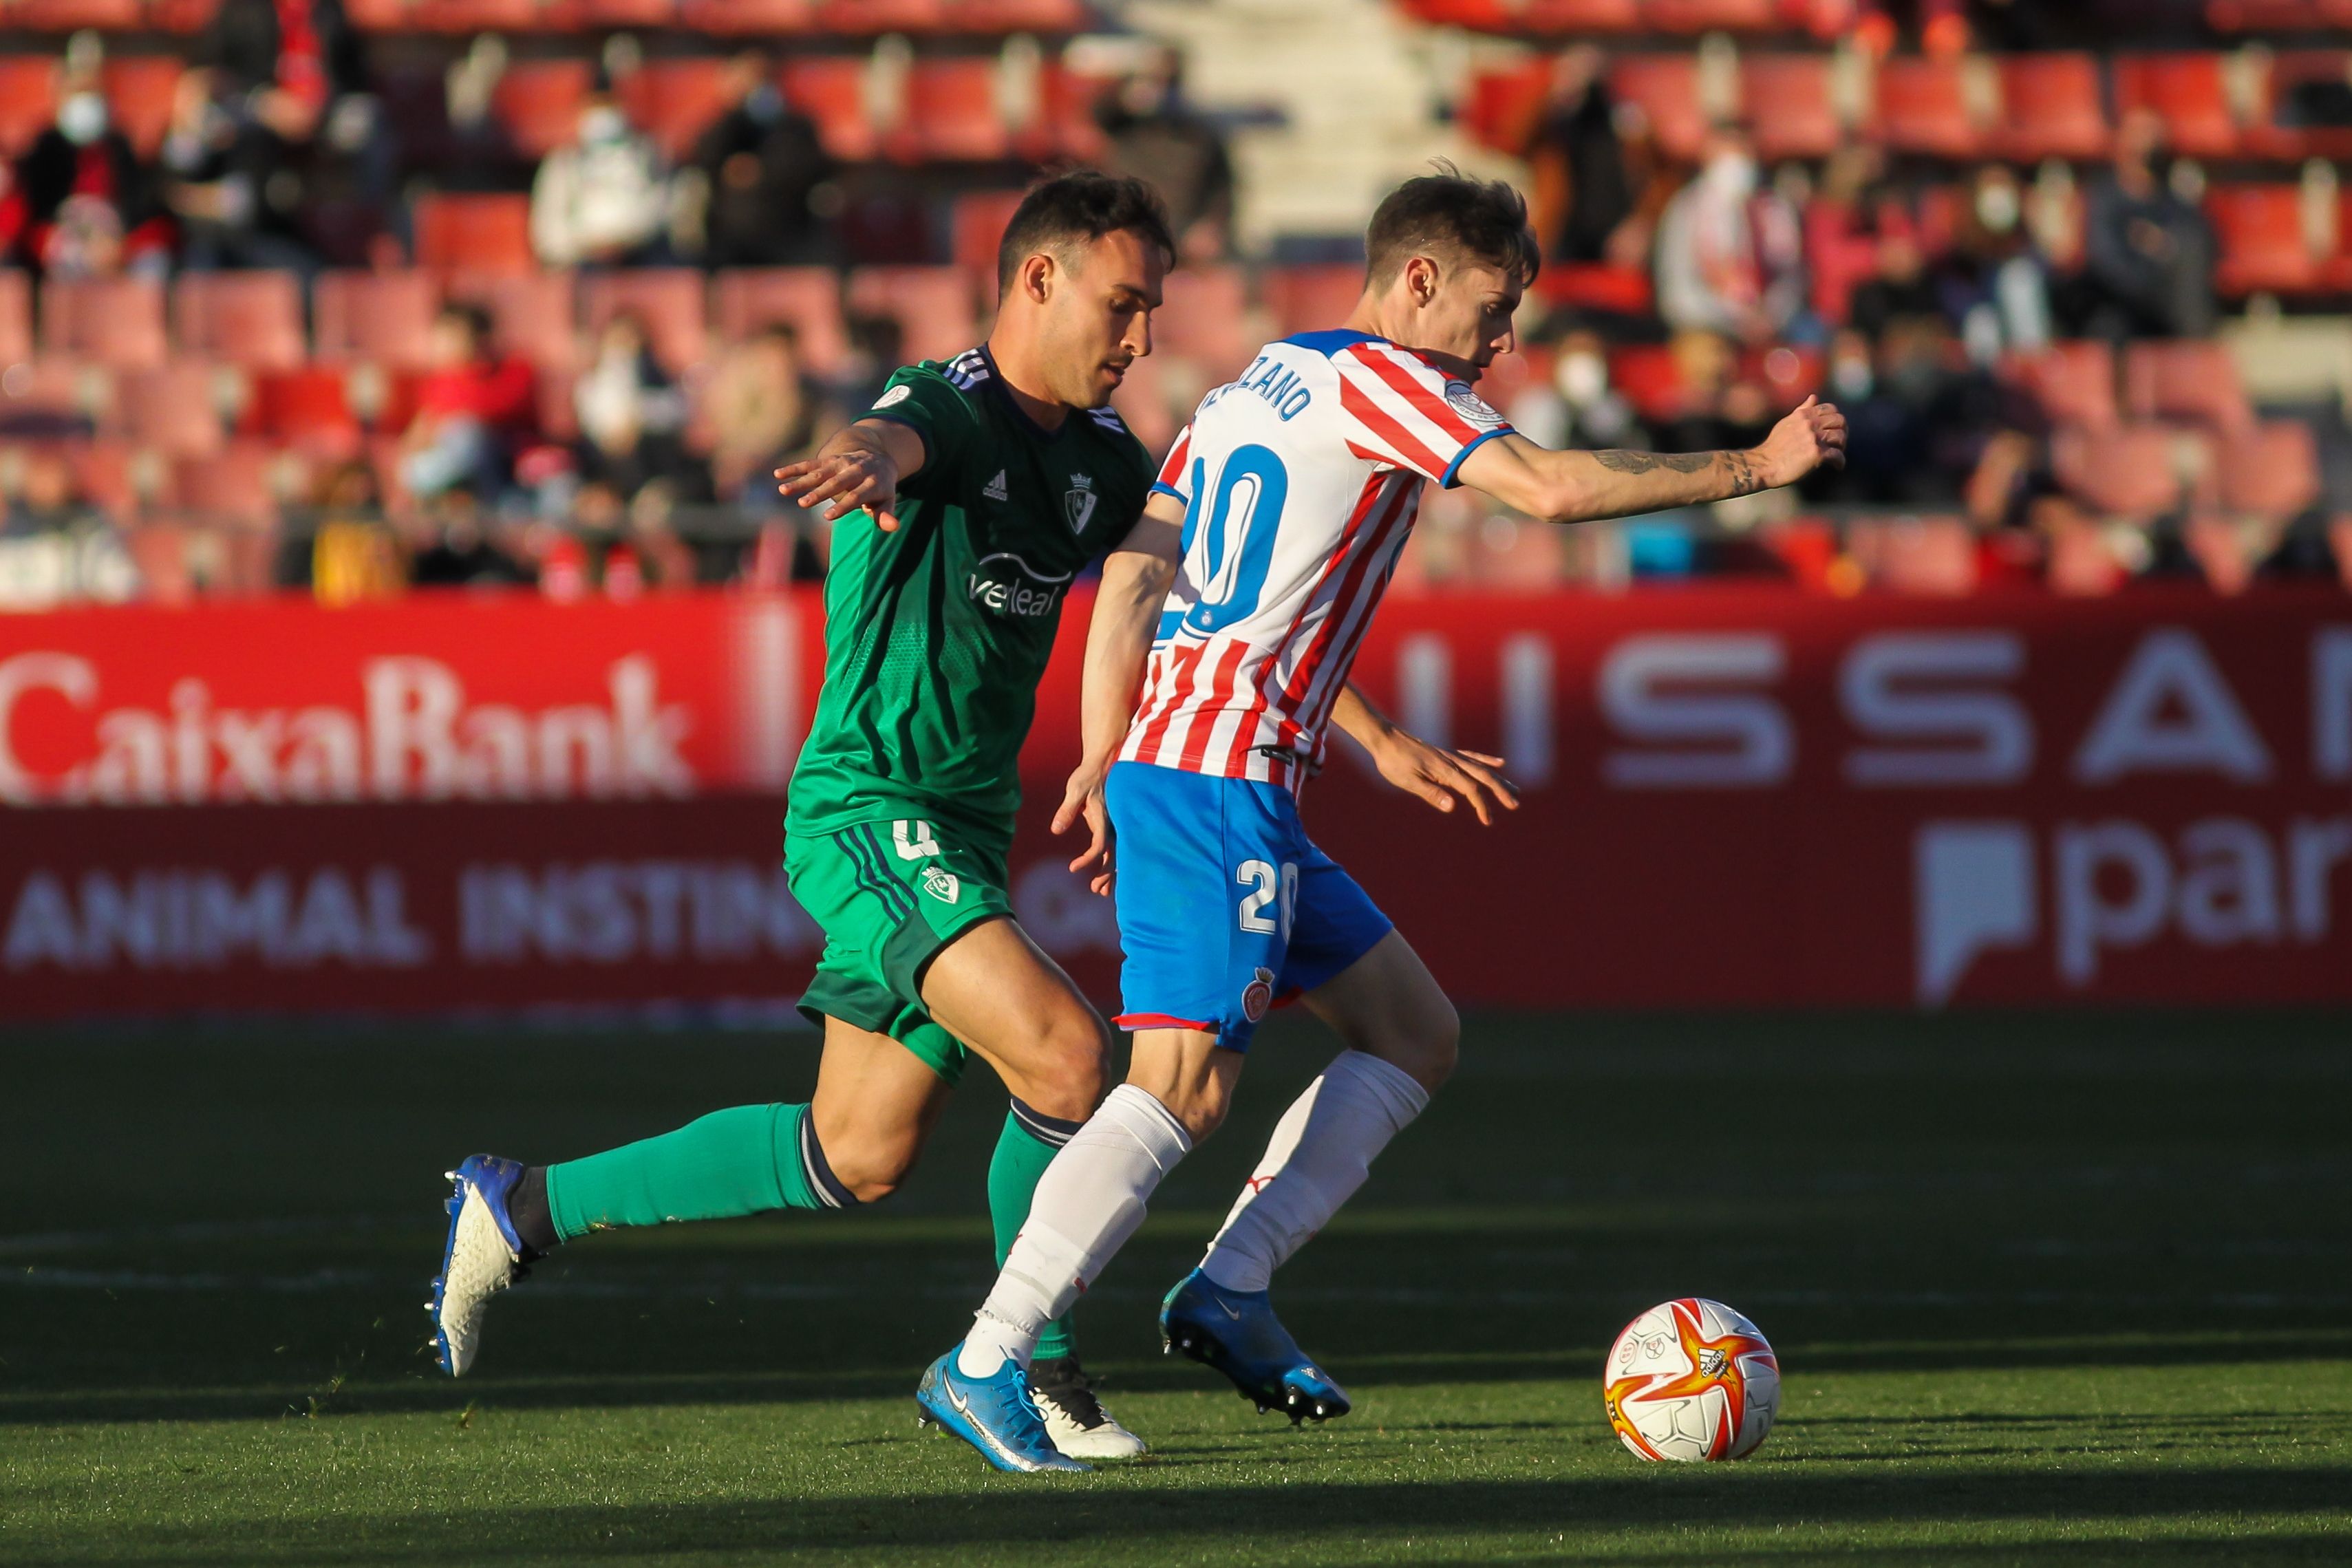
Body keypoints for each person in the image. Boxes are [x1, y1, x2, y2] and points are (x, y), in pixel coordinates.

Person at [920, 166, 1846, 1474]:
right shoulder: (1398, 381)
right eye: (1492, 302)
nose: (1501, 338)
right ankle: (986, 1354)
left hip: (1217, 768)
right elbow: (1551, 493)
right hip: (1217, 781)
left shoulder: (1258, 381)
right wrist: (1755, 461)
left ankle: (1226, 1288)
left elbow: (1145, 569)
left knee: (1414, 1033)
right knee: (1177, 1084)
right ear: (1418, 279)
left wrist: (1128, 741)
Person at [15, 61, 171, 279]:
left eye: (92, 93)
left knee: (153, 264)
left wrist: (118, 245)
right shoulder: (46, 148)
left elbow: (141, 207)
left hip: (115, 238)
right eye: (78, 93)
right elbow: (35, 212)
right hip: (66, 240)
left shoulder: (120, 145)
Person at [1654, 122, 1805, 345]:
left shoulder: (1775, 206)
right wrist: (1731, 320)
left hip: (1772, 325)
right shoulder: (1686, 208)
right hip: (1708, 325)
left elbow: (1793, 274)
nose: (1737, 161)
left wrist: (1771, 316)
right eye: (1728, 152)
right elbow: (1676, 289)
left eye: (1743, 152)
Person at [684, 52, 835, 268]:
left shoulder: (797, 126)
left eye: (761, 78)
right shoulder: (726, 125)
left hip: (788, 237)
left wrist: (758, 171)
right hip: (729, 243)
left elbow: (802, 168)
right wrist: (732, 108)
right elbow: (706, 158)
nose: (755, 88)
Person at [2082, 108, 2216, 342]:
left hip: (2170, 309)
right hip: (2121, 309)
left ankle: (2198, 358)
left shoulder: (2174, 202)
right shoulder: (2104, 201)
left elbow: (2199, 244)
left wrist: (2159, 248)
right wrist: (2156, 259)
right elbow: (2106, 263)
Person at [1094, 47, 1234, 262]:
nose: (1163, 89)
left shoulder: (1199, 135)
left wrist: (1211, 226)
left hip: (1180, 237)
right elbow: (1098, 112)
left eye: (1170, 81)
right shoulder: (1127, 123)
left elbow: (1222, 189)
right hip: (1127, 227)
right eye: (1156, 80)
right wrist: (1127, 93)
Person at [398, 303, 537, 501]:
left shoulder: (514, 369)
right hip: (450, 470)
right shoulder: (439, 382)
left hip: (507, 470)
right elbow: (418, 436)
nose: (442, 346)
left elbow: (492, 411)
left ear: (479, 339)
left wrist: (443, 421)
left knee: (467, 435)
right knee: (417, 468)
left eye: (451, 337)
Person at [530, 92, 670, 268]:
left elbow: (661, 209)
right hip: (580, 263)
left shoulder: (645, 155)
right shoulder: (563, 164)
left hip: (642, 258)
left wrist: (627, 242)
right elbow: (549, 232)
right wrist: (587, 247)